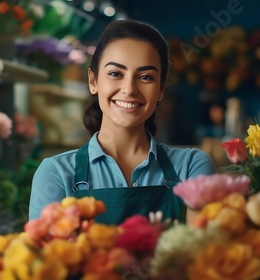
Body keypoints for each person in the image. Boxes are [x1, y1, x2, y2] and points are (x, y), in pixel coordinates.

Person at [28, 19, 216, 224]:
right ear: (93, 81)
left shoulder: (191, 167)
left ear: (161, 88)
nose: (129, 89)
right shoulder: (56, 173)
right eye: (116, 74)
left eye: (145, 77)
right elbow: (47, 254)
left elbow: (202, 252)